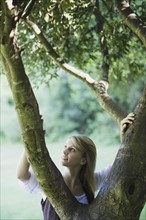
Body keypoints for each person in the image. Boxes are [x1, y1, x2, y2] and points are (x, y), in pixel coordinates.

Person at [16, 113, 135, 220]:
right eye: (65, 146)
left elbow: (120, 166)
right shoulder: (49, 183)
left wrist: (124, 138)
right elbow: (21, 175)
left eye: (72, 149)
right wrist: (33, 139)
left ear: (83, 160)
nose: (64, 151)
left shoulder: (90, 182)